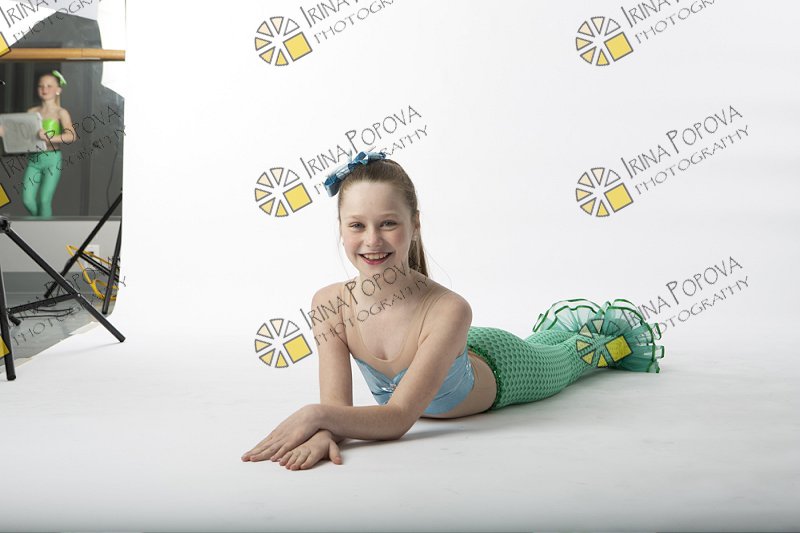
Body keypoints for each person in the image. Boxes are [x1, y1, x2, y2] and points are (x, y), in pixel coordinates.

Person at [242, 152, 664, 470]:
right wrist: (325, 432)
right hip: (447, 350)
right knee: (550, 341)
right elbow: (340, 409)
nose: (372, 240)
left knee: (577, 353)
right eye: (357, 225)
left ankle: (609, 338)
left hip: (508, 368)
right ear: (340, 228)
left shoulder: (450, 308)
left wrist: (315, 416)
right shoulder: (328, 305)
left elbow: (397, 418)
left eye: (388, 223)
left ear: (415, 224)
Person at [0, 71, 74, 217]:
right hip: (34, 160)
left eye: (49, 86)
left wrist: (50, 138)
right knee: (27, 200)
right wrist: (5, 133)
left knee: (44, 200)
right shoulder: (32, 111)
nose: (44, 89)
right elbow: (23, 135)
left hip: (52, 160)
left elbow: (71, 136)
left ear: (58, 90)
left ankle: (43, 227)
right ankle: (39, 223)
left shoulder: (61, 112)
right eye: (41, 86)